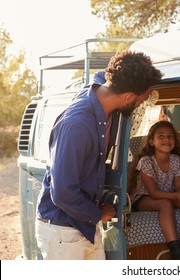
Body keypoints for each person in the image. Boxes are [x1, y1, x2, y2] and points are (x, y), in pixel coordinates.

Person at [35, 51, 163, 260]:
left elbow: (103, 77)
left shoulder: (105, 94)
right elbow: (63, 193)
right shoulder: (76, 125)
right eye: (143, 98)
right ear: (129, 97)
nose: (143, 103)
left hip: (84, 223)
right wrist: (98, 214)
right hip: (63, 231)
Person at [128, 120, 180, 260]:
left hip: (168, 195)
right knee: (165, 204)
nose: (166, 139)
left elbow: (179, 186)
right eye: (161, 136)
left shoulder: (176, 160)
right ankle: (175, 250)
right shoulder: (146, 161)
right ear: (151, 142)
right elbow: (154, 192)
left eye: (170, 136)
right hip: (144, 198)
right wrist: (176, 195)